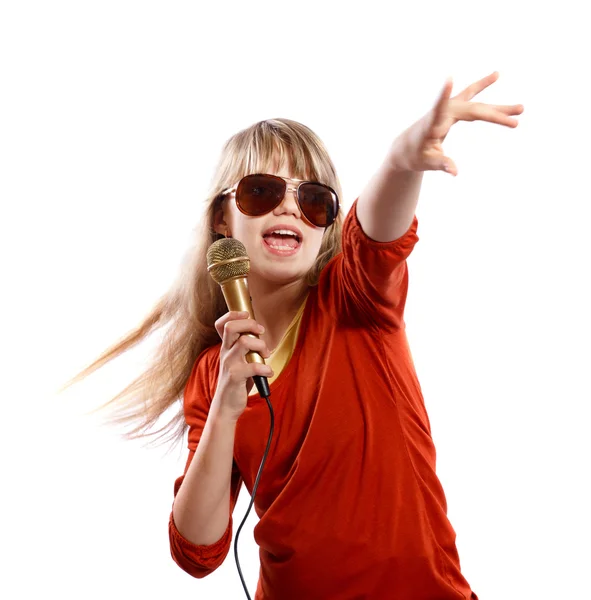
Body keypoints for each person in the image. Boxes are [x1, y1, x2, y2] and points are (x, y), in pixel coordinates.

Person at [61, 71, 523, 599]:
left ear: (327, 223)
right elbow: (197, 548)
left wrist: (403, 159)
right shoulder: (214, 373)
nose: (287, 207)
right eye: (262, 191)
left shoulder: (352, 300)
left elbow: (375, 231)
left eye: (314, 200)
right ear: (222, 219)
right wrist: (224, 409)